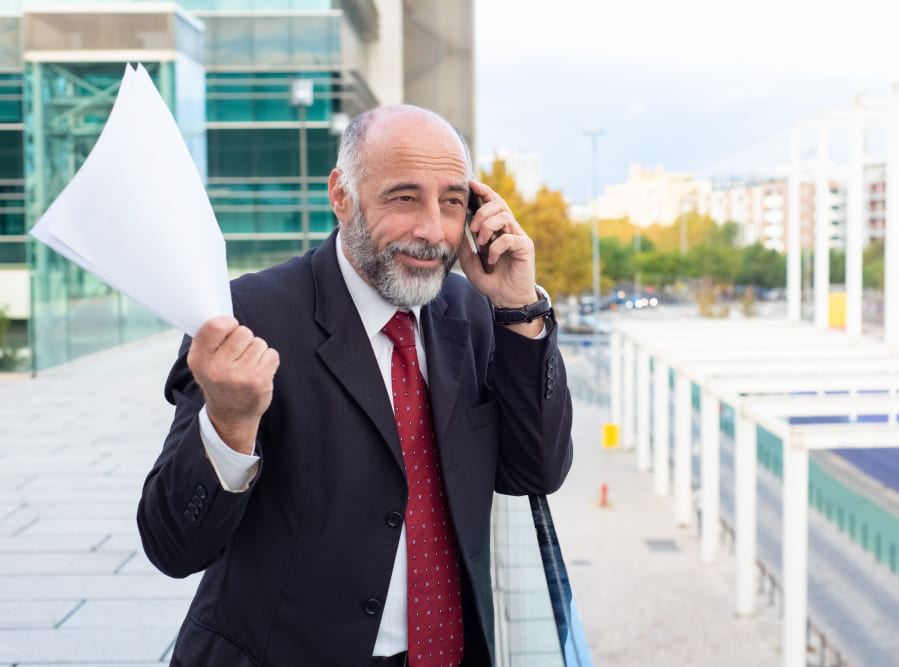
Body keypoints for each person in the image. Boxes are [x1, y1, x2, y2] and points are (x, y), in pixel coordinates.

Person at [137, 104, 574, 667]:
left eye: (452, 202)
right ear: (341, 196)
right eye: (404, 197)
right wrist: (229, 424)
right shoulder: (246, 315)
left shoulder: (471, 311)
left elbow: (535, 472)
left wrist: (519, 308)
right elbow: (173, 545)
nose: (433, 231)